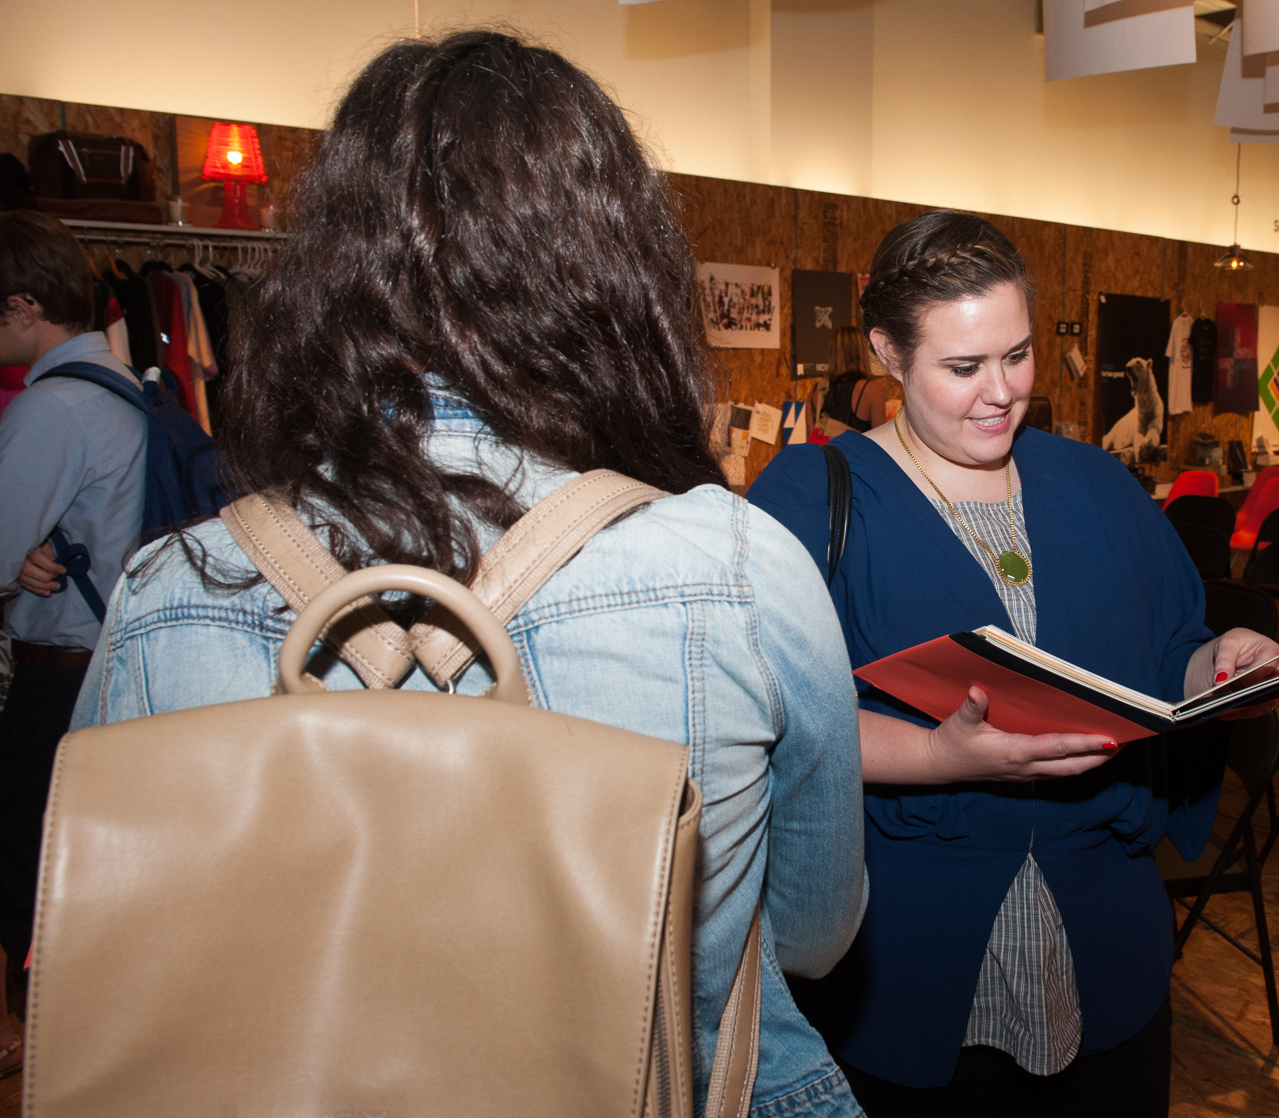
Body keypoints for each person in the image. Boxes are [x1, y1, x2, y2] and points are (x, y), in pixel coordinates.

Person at [69, 32, 868, 1117]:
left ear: (330, 273)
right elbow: (816, 937)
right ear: (618, 273)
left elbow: (110, 926)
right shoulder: (737, 569)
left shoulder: (169, 588)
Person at [748, 211, 1279, 1117]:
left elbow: (1171, 651)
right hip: (909, 944)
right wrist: (934, 758)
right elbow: (771, 710)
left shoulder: (1096, 484)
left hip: (1102, 934)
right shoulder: (812, 497)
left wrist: (1221, 668)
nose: (1000, 392)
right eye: (963, 368)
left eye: (1018, 355)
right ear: (888, 351)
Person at [0, 209, 148, 1045]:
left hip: (59, 668)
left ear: (22, 307)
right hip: (112, 654)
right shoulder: (123, 385)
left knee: (29, 857)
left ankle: (40, 1040)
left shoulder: (50, 409)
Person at [822, 325, 890, 430]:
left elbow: (811, 439)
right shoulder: (872, 390)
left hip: (823, 446)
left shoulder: (817, 391)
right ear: (861, 352)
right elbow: (879, 441)